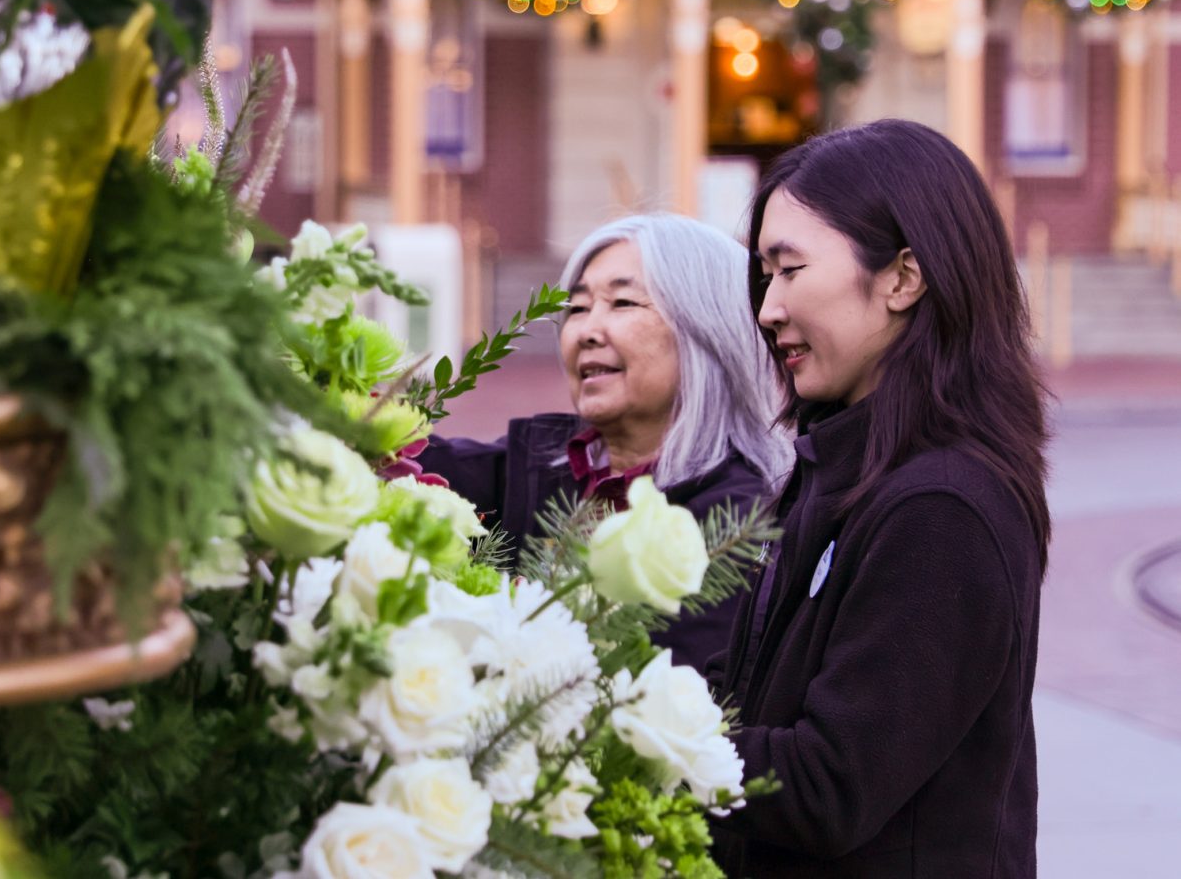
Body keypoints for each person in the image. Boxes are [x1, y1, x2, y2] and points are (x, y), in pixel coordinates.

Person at [714, 119, 1049, 876]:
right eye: (764, 277)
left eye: (790, 269)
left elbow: (831, 784)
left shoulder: (941, 508)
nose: (767, 309)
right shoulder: (838, 468)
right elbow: (757, 701)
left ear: (903, 277)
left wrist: (633, 733)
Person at [420, 213, 791, 673]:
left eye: (622, 303)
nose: (586, 331)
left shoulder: (738, 516)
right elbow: (410, 468)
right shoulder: (539, 462)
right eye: (576, 308)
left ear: (708, 330)